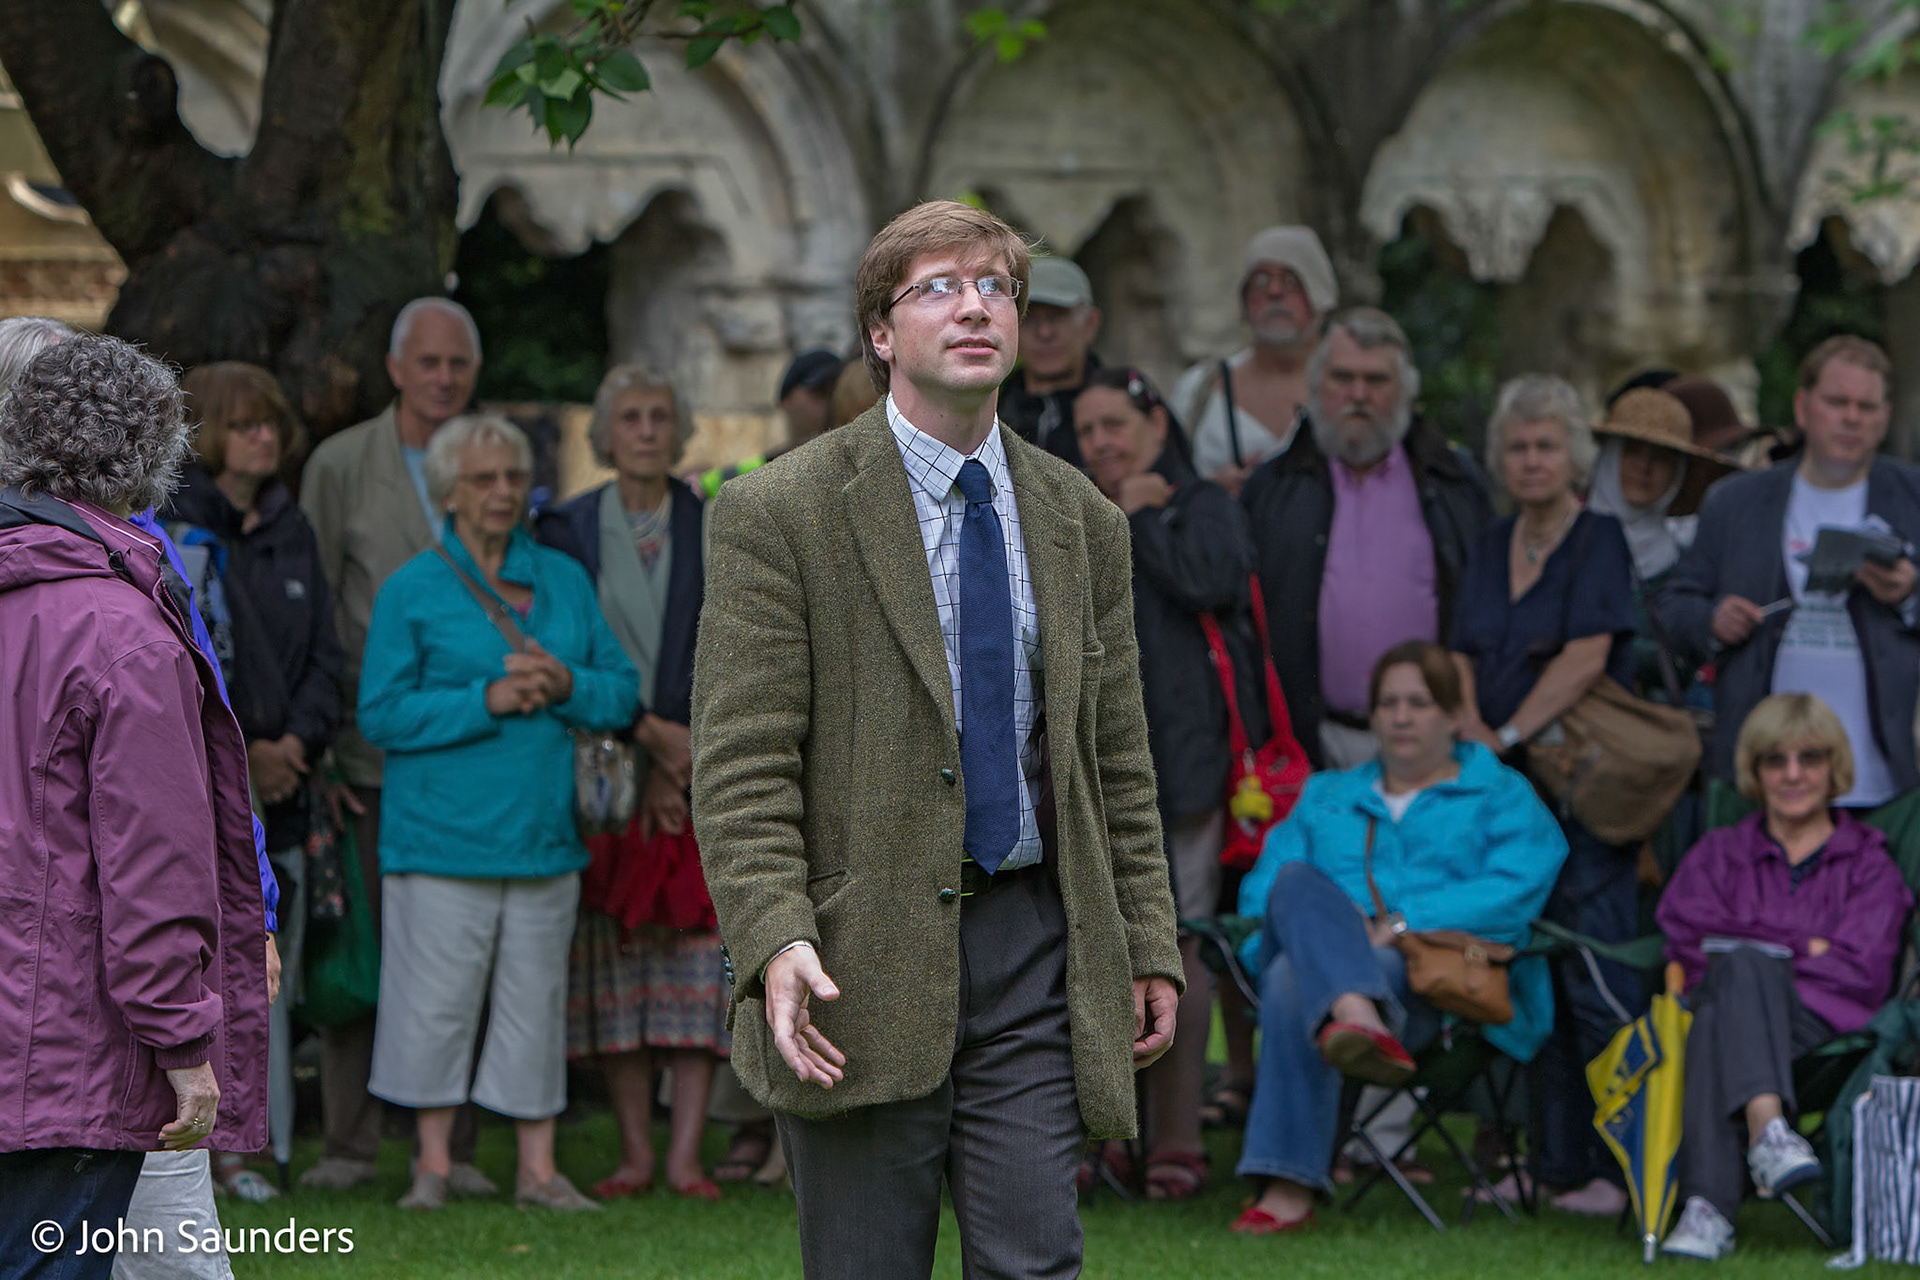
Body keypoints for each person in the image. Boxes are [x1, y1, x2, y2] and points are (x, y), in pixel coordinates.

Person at [691, 199, 1183, 1278]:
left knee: (1035, 1261)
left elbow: (1116, 761)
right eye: (940, 286)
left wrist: (1148, 938)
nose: (976, 306)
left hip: (1034, 946)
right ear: (881, 331)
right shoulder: (780, 512)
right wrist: (776, 933)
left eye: (996, 285)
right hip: (851, 957)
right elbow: (740, 767)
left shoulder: (1082, 518)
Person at [0, 335, 269, 1279]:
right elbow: (154, 867)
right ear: (156, 454)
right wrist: (188, 1045)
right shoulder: (122, 631)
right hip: (68, 1046)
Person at [358, 413, 638, 1212]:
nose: (503, 492)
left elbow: (620, 691)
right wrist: (486, 698)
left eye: (513, 477)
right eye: (483, 479)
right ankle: (434, 1167)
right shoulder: (411, 588)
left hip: (545, 836)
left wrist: (565, 686)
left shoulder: (562, 579)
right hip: (440, 840)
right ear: (449, 490)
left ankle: (538, 1172)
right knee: (431, 1009)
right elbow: (379, 715)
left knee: (534, 1009)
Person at [1229, 641, 1568, 1234]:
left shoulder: (1501, 795)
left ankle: (1287, 1188)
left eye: (1419, 702)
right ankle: (1352, 1009)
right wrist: (1334, 942)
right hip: (1327, 971)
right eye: (1388, 704)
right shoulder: (1326, 795)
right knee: (1294, 881)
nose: (1402, 717)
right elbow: (1263, 901)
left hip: (1428, 993)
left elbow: (1519, 886)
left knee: (1291, 979)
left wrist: (1403, 925)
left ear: (1454, 715)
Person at [297, 295, 488, 1193]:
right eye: (430, 363)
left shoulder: (492, 459)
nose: (444, 378)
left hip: (476, 755)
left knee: (461, 956)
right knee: (365, 949)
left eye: (459, 364)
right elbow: (316, 610)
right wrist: (324, 746)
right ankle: (347, 1142)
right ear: (395, 368)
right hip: (370, 755)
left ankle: (450, 1148)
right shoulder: (341, 464)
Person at [1072, 365, 1268, 1201]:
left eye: (1116, 425)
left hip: (1185, 774)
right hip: (1088, 774)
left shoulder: (1203, 505)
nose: (1101, 444)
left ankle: (1178, 1142)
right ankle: (1109, 1134)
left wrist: (1145, 514)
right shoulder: (1071, 513)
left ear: (1157, 425)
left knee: (1174, 952)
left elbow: (1211, 583)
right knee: (1093, 954)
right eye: (1087, 432)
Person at [1451, 373, 1642, 1217]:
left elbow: (1587, 656)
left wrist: (1511, 734)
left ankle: (1624, 1167)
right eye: (1517, 447)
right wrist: (1474, 738)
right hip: (1505, 798)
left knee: (1597, 978)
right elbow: (1458, 651)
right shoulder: (1492, 543)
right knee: (1529, 980)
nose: (1530, 461)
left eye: (1545, 447)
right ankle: (1554, 1166)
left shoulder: (1599, 539)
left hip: (1581, 798)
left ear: (1574, 459)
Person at [534, 366, 725, 1201]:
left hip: (697, 770)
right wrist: (640, 742)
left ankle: (684, 1155)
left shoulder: (716, 521)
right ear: (605, 435)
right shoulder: (565, 529)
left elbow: (735, 644)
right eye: (629, 418)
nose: (645, 430)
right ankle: (634, 1153)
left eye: (660, 417)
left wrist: (682, 755)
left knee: (692, 961)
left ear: (679, 433)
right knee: (614, 964)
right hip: (602, 776)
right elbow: (564, 651)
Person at [163, 362, 345, 1204]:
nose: (263, 437)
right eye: (243, 423)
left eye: (271, 422)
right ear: (207, 436)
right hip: (203, 778)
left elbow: (321, 653)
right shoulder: (169, 527)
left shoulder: (291, 524)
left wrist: (291, 747)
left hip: (284, 775)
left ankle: (252, 1145)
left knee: (271, 970)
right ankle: (208, 1153)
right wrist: (238, 756)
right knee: (203, 963)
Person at [1656, 694, 1912, 1260]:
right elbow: (1687, 936)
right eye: (1776, 760)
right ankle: (1768, 1133)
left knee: (1734, 981)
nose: (1793, 774)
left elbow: (1861, 969)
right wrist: (1803, 946)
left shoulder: (1870, 864)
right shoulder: (1720, 853)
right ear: (1755, 769)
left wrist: (1756, 946)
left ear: (1833, 768)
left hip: (1824, 1030)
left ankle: (1709, 1209)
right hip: (1728, 1011)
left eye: (1810, 759)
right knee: (1732, 986)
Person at [1659, 335, 1920, 813]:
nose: (1851, 417)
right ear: (1803, 408)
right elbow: (1675, 605)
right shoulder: (1736, 500)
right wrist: (1713, 620)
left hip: (1886, 771)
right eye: (1837, 402)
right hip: (1761, 765)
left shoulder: (1912, 496)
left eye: (1866, 406)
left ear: (1884, 418)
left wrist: (1908, 595)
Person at [1241, 306, 1490, 771]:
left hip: (1435, 743)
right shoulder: (1272, 488)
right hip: (1310, 744)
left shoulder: (1452, 483)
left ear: (1405, 393)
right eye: (1342, 378)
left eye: (1376, 381)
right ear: (1317, 388)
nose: (1358, 394)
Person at [1585, 386, 1735, 703]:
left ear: (1678, 473)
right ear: (1610, 457)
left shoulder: (1686, 565)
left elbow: (1689, 656)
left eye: (1662, 458)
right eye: (1633, 451)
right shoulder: (1564, 544)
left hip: (1650, 733)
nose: (1645, 467)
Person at [1173, 225, 1338, 495]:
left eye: (1291, 280)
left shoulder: (1354, 384)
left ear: (1320, 294)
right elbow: (1167, 484)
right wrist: (1210, 492)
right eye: (1260, 280)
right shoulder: (1199, 390)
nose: (1273, 292)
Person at [693, 349, 844, 497]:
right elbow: (703, 487)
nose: (831, 402)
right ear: (785, 400)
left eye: (838, 392)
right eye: (820, 392)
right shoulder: (758, 468)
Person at [1000, 254, 1103, 466]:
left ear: (1090, 324)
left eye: (1058, 317)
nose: (1045, 332)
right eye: (1030, 318)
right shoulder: (988, 415)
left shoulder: (1129, 404)